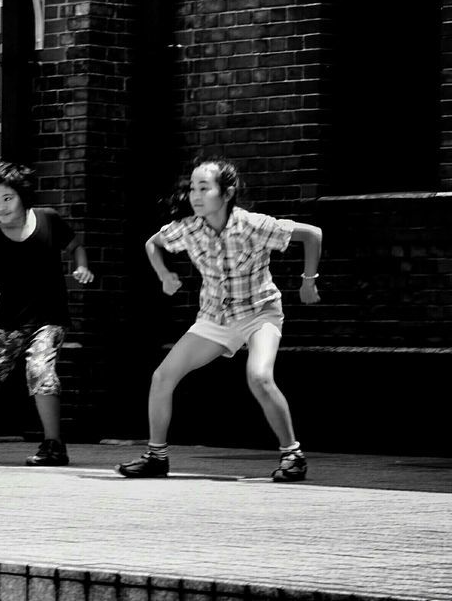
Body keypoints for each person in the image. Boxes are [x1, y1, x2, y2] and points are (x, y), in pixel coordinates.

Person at [116, 157, 322, 482]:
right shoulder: (189, 229)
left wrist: (308, 280)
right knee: (162, 377)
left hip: (260, 313)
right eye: (193, 188)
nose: (195, 196)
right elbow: (152, 244)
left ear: (226, 193)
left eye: (204, 188)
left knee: (259, 377)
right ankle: (156, 456)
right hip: (215, 317)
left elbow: (312, 234)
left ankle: (292, 456)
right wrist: (164, 276)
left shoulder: (254, 225)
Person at [0, 162, 93, 465]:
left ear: (22, 196)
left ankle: (53, 446)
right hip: (9, 321)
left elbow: (75, 245)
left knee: (40, 369)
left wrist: (82, 265)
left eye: (7, 198)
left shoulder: (48, 221)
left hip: (49, 319)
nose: (0, 206)